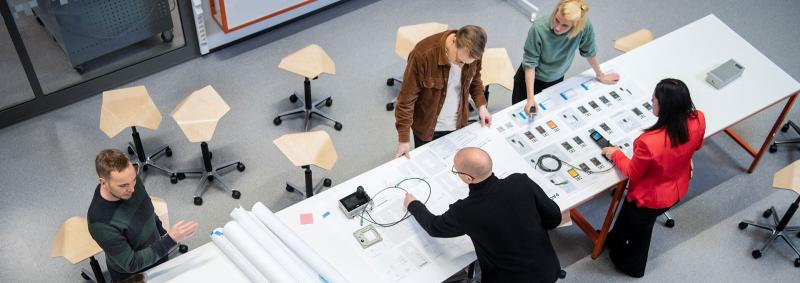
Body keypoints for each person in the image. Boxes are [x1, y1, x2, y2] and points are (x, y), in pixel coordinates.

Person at [403, 147, 562, 282]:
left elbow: (434, 227)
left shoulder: (465, 211)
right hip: (548, 270)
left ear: (467, 178)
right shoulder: (520, 181)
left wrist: (413, 204)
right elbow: (554, 218)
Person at [601, 78, 706, 277]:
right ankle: (613, 239)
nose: (651, 101)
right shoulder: (698, 118)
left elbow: (633, 172)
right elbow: (696, 146)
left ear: (665, 107)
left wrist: (615, 153)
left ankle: (632, 267)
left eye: (654, 100)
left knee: (639, 233)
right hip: (678, 186)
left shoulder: (649, 142)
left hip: (650, 198)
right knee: (627, 219)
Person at [88, 149, 198, 282]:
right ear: (104, 182)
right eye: (123, 185)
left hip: (157, 251)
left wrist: (162, 235)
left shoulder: (130, 181)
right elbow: (131, 263)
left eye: (134, 179)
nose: (132, 189)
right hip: (132, 276)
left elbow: (148, 210)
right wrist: (169, 240)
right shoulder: (100, 222)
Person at [395, 25, 492, 159]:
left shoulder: (474, 53)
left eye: (466, 63)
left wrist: (481, 106)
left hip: (458, 124)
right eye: (459, 61)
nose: (461, 66)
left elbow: (475, 80)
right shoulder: (422, 55)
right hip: (428, 129)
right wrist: (404, 139)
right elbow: (406, 101)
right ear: (453, 41)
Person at [513, 0, 619, 115]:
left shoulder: (584, 26)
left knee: (547, 115)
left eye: (565, 25)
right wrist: (530, 98)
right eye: (556, 19)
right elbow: (530, 65)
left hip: (556, 78)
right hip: (530, 80)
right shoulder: (538, 29)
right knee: (519, 114)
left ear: (575, 25)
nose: (557, 28)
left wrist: (601, 75)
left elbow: (589, 52)